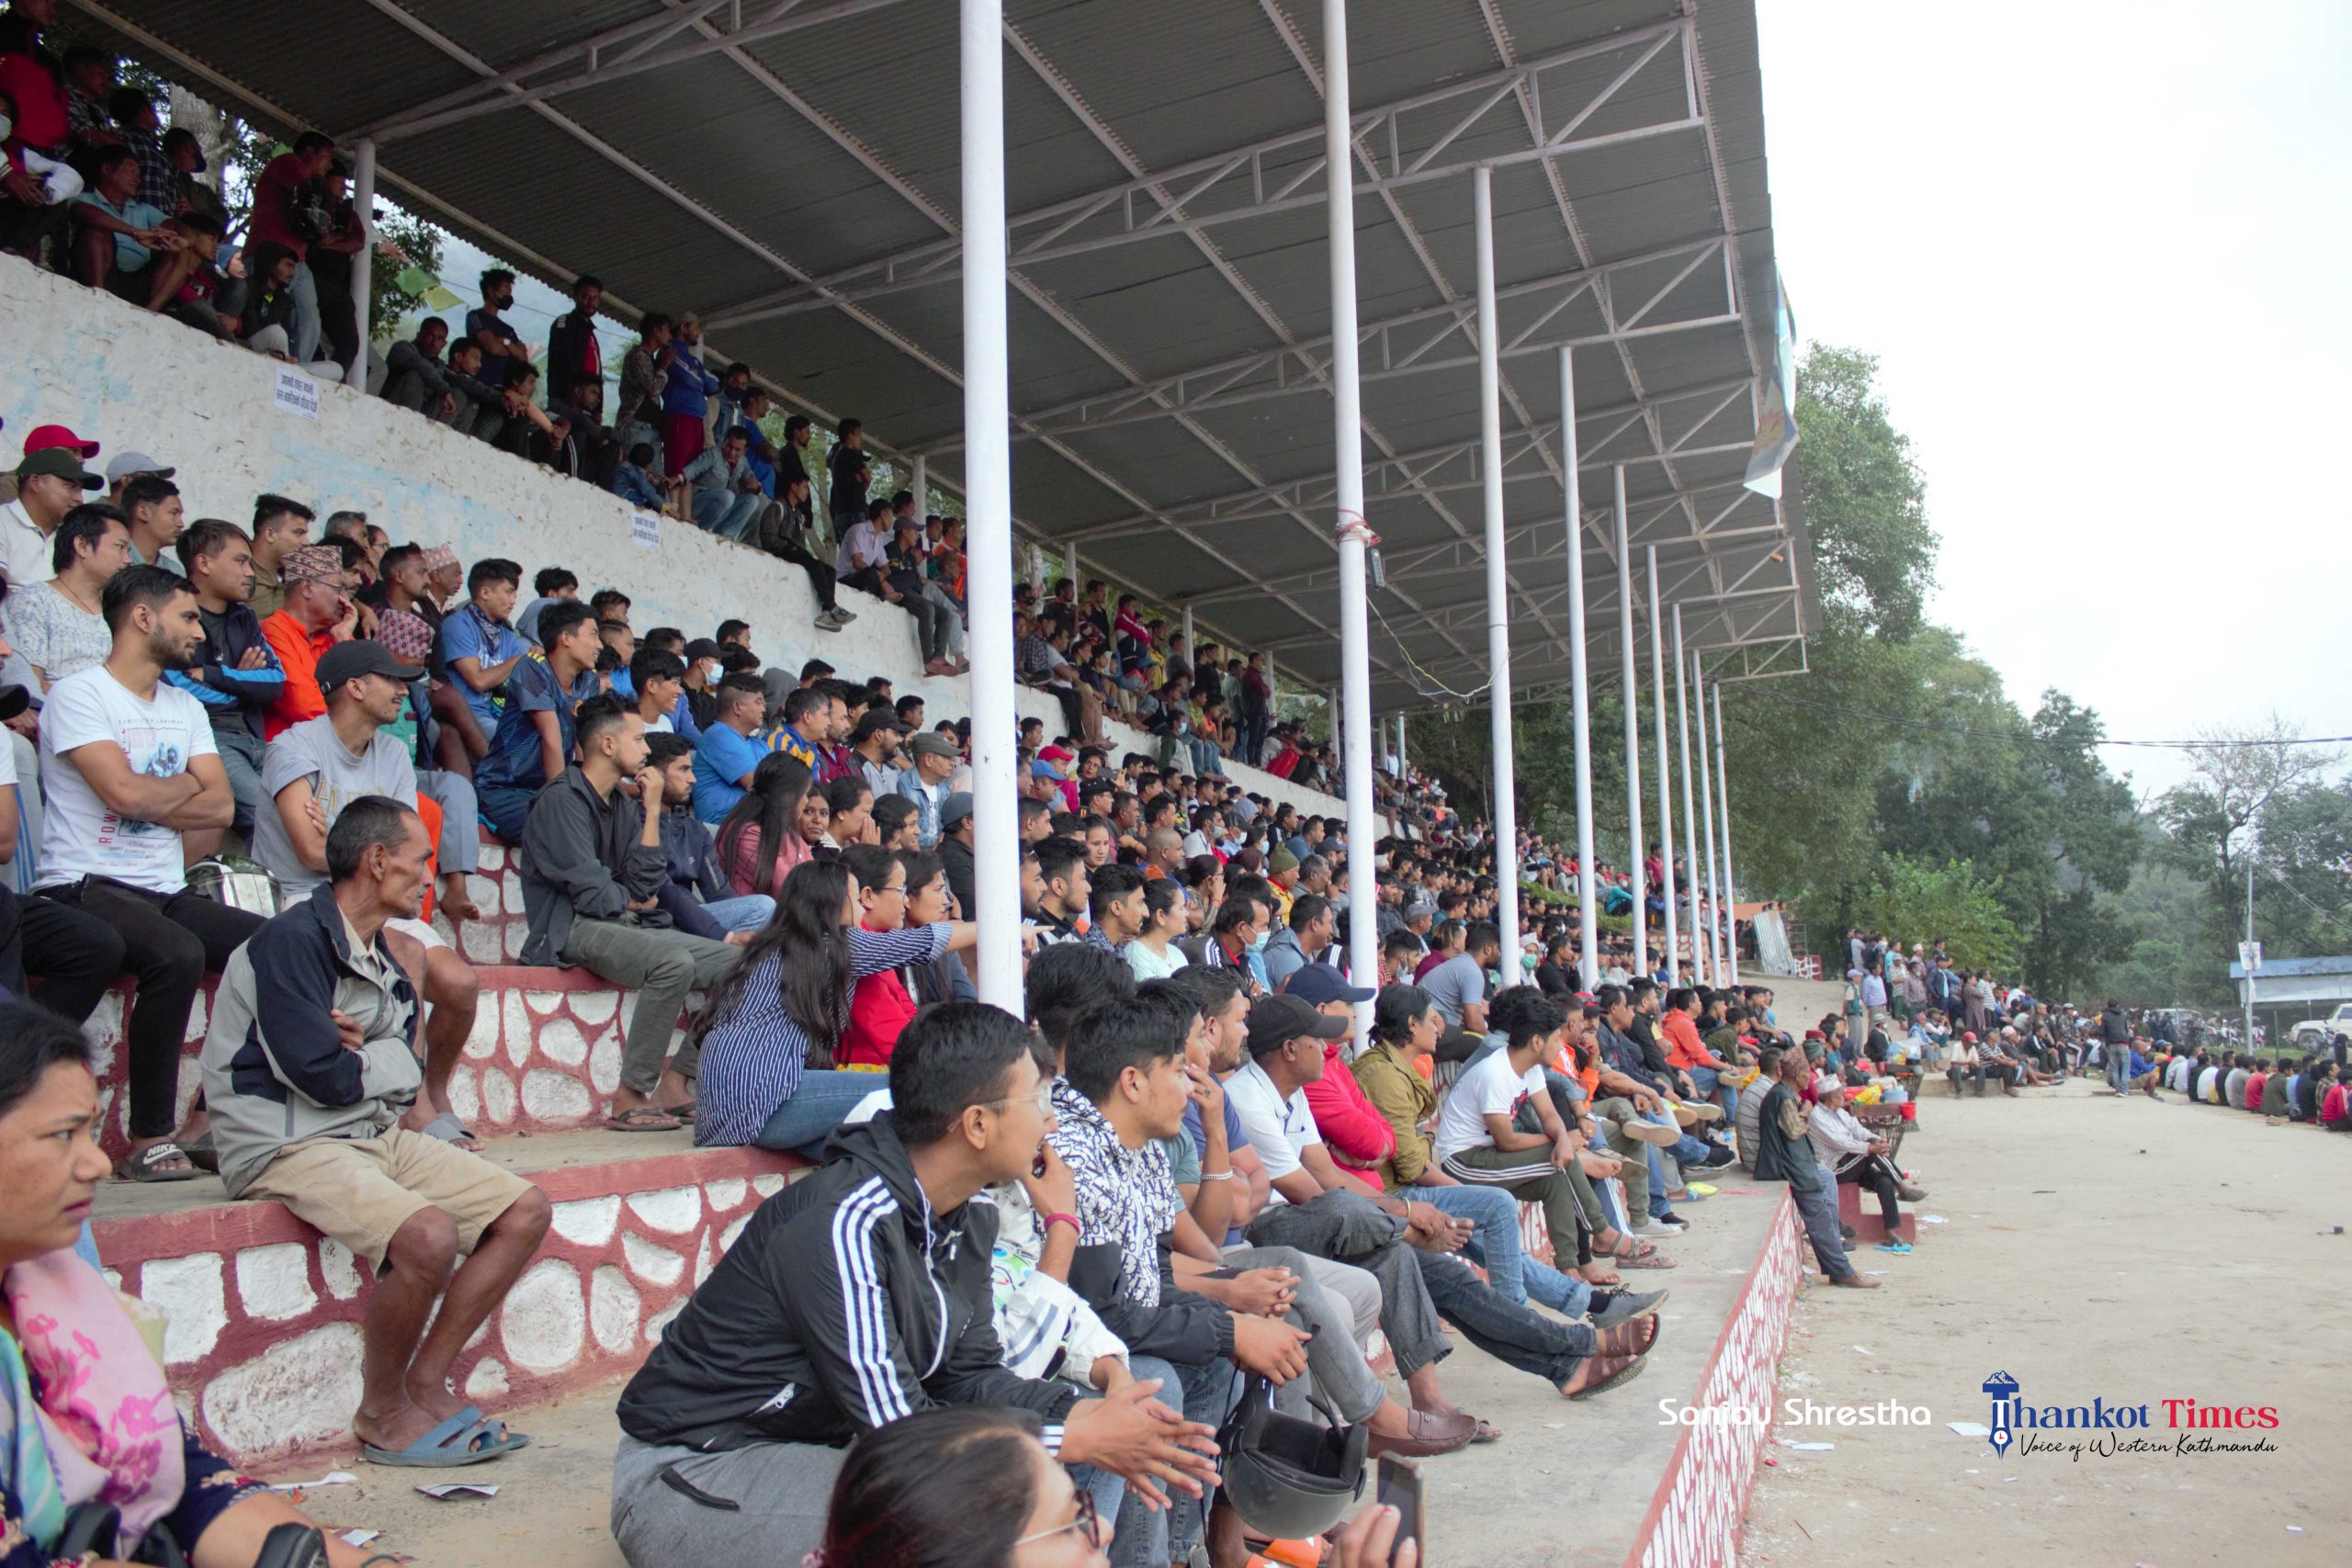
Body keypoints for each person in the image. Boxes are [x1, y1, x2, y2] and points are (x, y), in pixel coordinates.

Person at [610, 1002, 1219, 1568]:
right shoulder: (839, 1222)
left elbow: (970, 1376)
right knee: (968, 1515)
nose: (1052, 1120)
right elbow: (899, 1429)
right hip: (696, 1472)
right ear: (977, 1123)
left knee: (1091, 1440)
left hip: (817, 1452)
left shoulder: (969, 1217)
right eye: (1038, 1100)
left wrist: (1091, 1415)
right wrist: (1077, 1431)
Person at [200, 795, 550, 1464]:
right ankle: (382, 1409)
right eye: (422, 860)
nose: (431, 876)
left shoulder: (382, 954)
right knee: (428, 1235)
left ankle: (426, 1378)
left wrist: (362, 1056)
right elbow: (320, 1074)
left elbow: (406, 1063)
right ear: (377, 859)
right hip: (283, 1141)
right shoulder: (291, 941)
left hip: (364, 1131)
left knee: (524, 1209)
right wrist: (367, 1058)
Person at [0, 1002, 385, 1563]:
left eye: (89, 1130)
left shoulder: (64, 1305)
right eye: (63, 1135)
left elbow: (182, 1480)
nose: (98, 1165)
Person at [32, 566, 256, 1182]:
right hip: (83, 883)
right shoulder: (81, 694)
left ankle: (207, 1121)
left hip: (163, 887)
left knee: (271, 945)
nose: (199, 631)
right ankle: (148, 1138)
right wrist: (181, 786)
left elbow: (222, 806)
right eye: (188, 616)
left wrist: (152, 793)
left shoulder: (185, 705)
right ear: (141, 617)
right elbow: (123, 795)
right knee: (178, 953)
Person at [254, 638, 485, 1143]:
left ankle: (433, 1088)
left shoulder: (393, 754)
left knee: (461, 986)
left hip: (374, 898)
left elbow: (403, 847)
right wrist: (362, 847)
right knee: (407, 957)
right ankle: (415, 1111)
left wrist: (337, 832)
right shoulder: (294, 747)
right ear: (355, 687)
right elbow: (309, 854)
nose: (403, 691)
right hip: (302, 898)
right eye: (392, 680)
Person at [520, 694, 745, 1133]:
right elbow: (591, 893)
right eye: (640, 739)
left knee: (748, 963)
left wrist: (650, 810)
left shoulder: (624, 805)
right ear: (607, 744)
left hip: (626, 924)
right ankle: (629, 1096)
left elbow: (645, 886)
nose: (647, 751)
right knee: (672, 963)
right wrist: (629, 899)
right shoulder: (561, 801)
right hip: (570, 928)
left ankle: (678, 1082)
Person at [691, 858, 978, 1154]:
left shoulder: (769, 948)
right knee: (916, 1090)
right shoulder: (834, 945)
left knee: (866, 1150)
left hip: (723, 1112)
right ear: (834, 904)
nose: (860, 907)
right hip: (762, 1100)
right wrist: (996, 927)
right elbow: (922, 943)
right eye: (855, 899)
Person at [471, 599, 602, 840]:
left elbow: (585, 744)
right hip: (504, 789)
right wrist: (564, 802)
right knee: (561, 827)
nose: (600, 645)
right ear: (566, 638)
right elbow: (550, 739)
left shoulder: (589, 681)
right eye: (593, 635)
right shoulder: (533, 668)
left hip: (546, 789)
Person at [1751, 1046, 1875, 1290]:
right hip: (1785, 1165)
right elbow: (1794, 1130)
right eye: (1806, 1074)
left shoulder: (1785, 1093)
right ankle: (1842, 1270)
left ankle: (1834, 1246)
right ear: (1797, 1076)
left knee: (1827, 1179)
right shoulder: (1783, 1096)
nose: (1810, 1079)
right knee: (1818, 1211)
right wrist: (1805, 1113)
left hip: (1795, 1161)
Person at [641, 731, 774, 939]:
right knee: (763, 907)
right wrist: (724, 936)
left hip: (693, 919)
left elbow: (719, 894)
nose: (692, 779)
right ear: (653, 774)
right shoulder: (634, 821)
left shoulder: (695, 830)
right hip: (655, 921)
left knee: (768, 915)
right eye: (683, 770)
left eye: (691, 770)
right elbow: (664, 892)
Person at [11, 502, 130, 693]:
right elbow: (30, 683)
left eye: (128, 551)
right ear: (82, 546)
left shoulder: (120, 609)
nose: (127, 559)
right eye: (120, 547)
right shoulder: (35, 601)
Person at [1807, 1077, 1924, 1255]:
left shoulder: (1840, 1113)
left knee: (1883, 1180)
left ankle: (1891, 1232)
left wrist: (1875, 1140)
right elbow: (1841, 1142)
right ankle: (1901, 1186)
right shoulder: (1817, 1117)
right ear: (1831, 1097)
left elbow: (1858, 1130)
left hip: (1853, 1162)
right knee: (1873, 1152)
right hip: (1836, 1167)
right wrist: (1870, 1148)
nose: (1843, 1096)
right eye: (1840, 1094)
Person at [693, 671, 769, 823]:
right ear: (737, 707)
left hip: (748, 824)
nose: (764, 709)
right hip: (719, 829)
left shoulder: (758, 744)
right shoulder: (718, 735)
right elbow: (762, 786)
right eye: (758, 701)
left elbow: (780, 782)